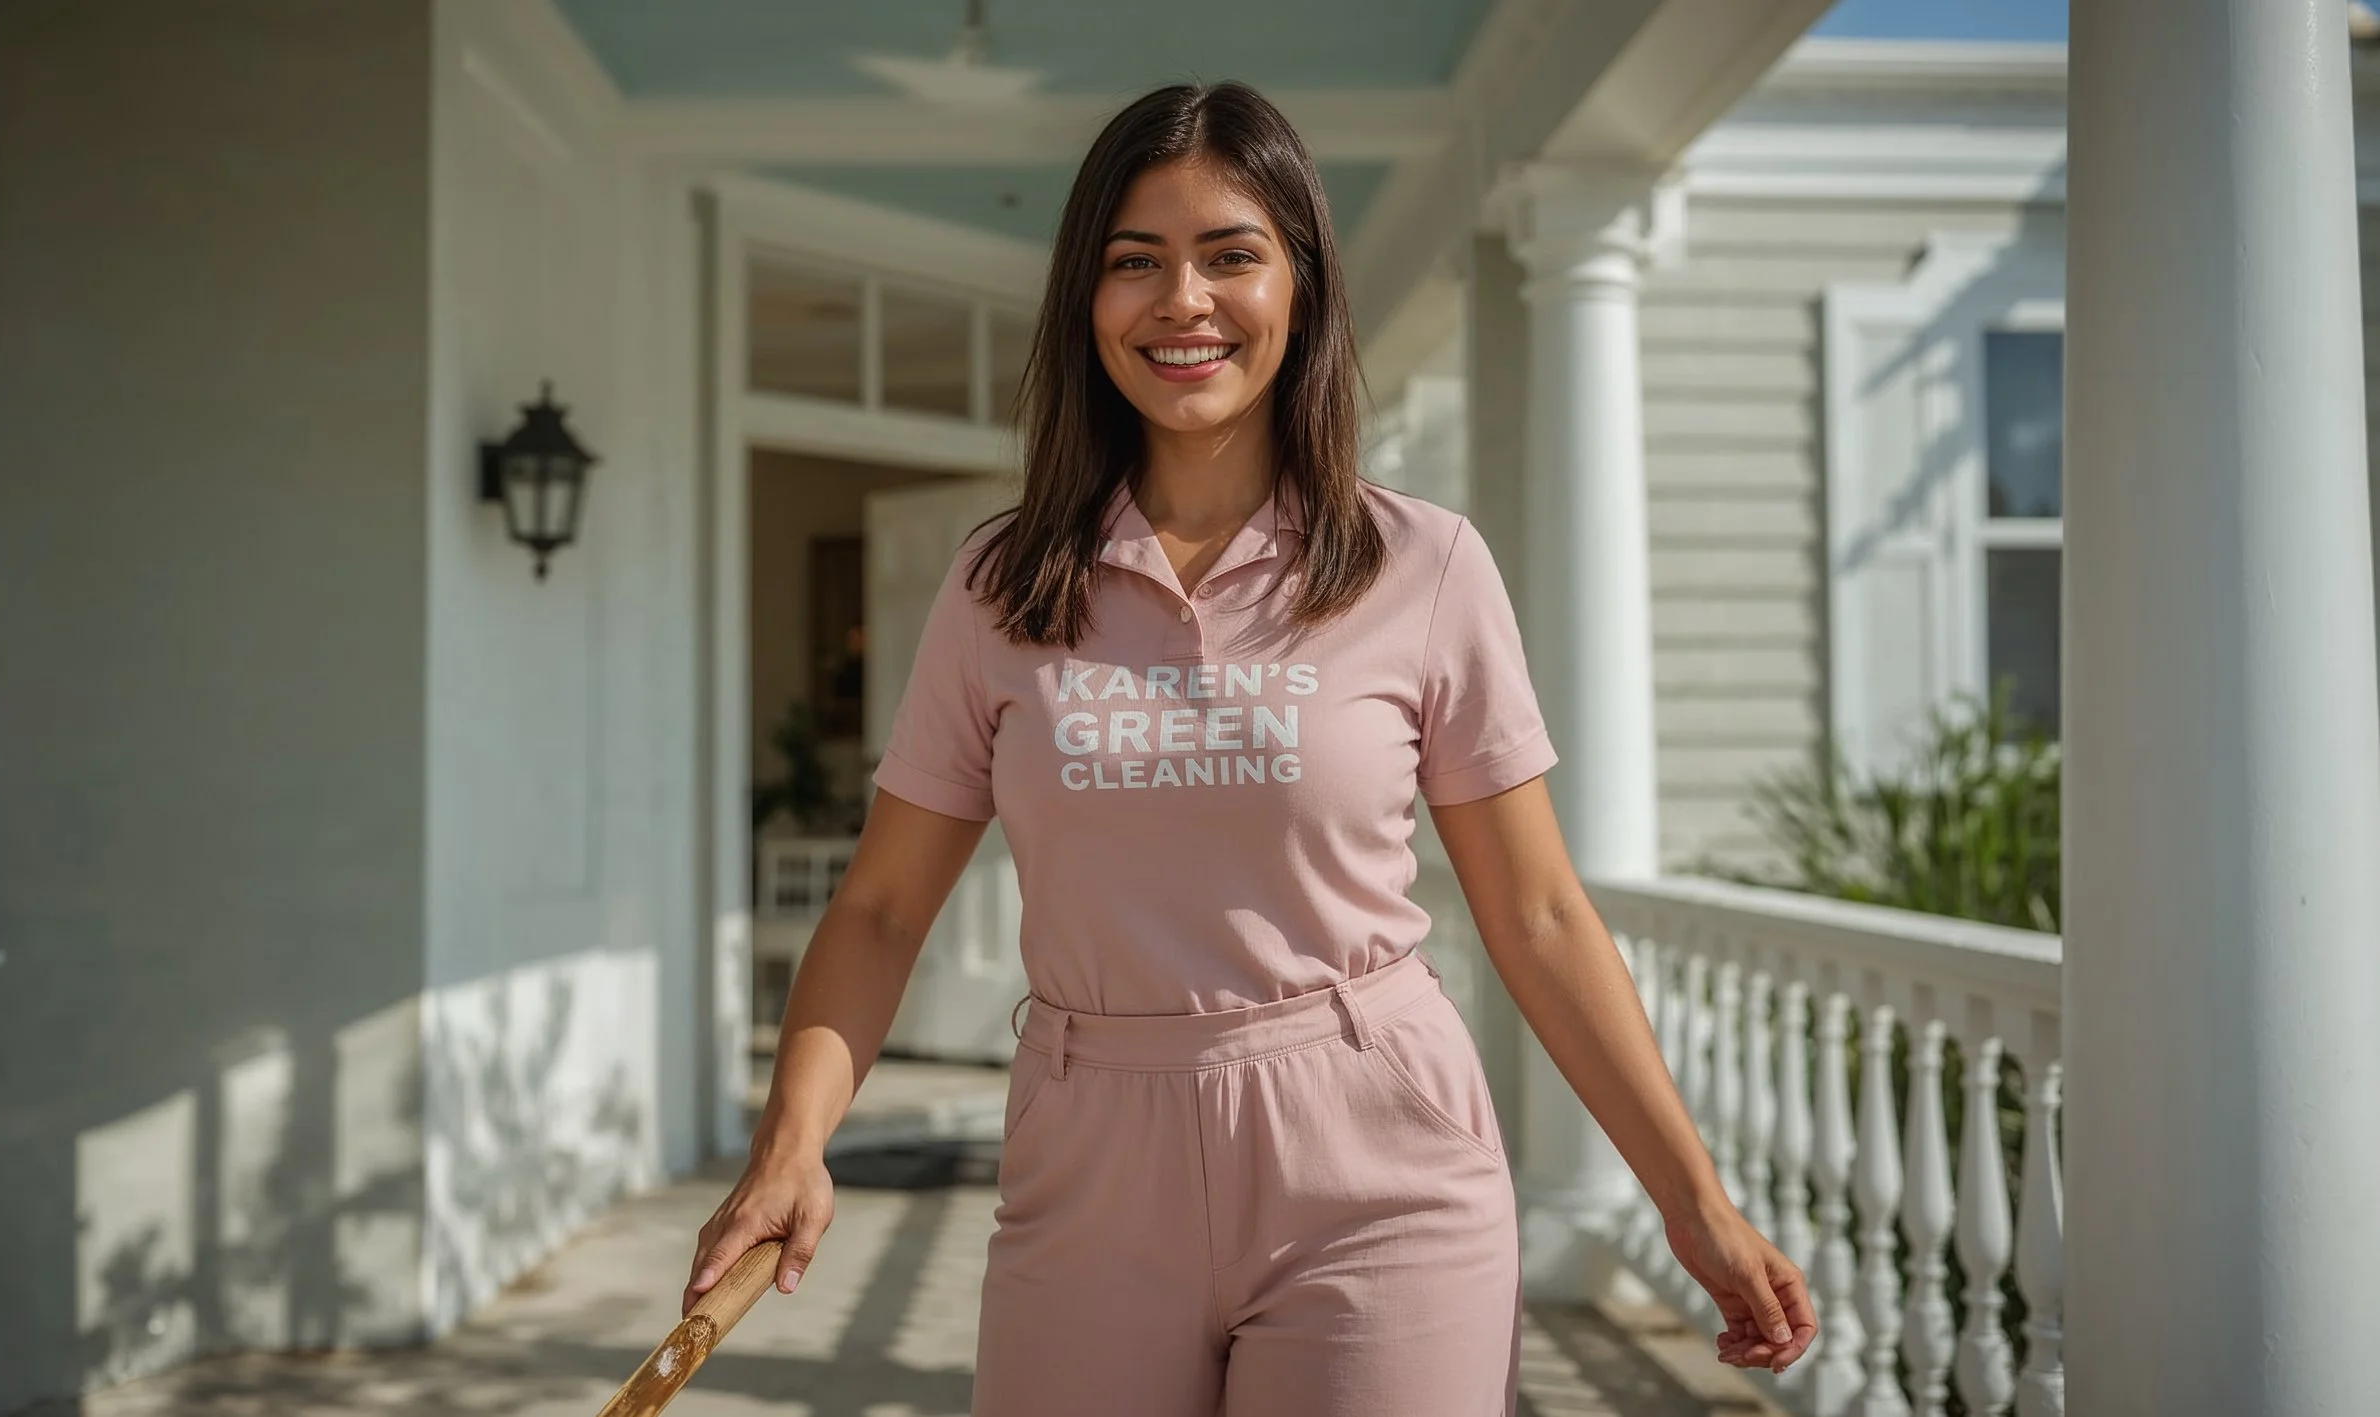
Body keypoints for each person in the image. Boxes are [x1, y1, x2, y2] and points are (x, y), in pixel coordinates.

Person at [683, 80, 1817, 1416]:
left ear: (1305, 286)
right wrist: (789, 1142)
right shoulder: (1002, 584)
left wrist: (1694, 1200)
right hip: (1087, 1162)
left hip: (1374, 1159)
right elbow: (877, 908)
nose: (1183, 302)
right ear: (1084, 301)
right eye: (1134, 263)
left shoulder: (1422, 565)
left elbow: (1544, 912)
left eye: (1232, 254)